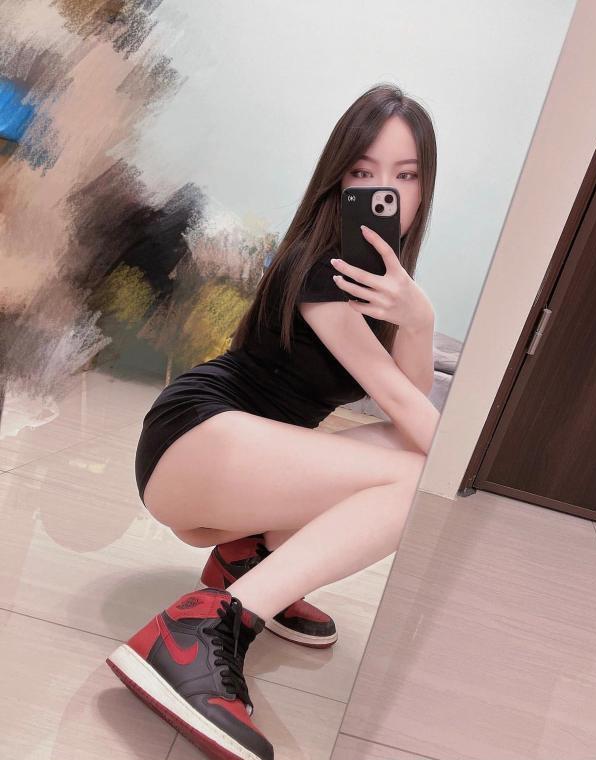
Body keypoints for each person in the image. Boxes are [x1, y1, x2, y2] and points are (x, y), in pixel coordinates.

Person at [106, 83, 441, 760]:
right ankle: (200, 630)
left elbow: (409, 416)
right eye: (364, 172)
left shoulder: (378, 287)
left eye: (405, 176)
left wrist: (415, 319)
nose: (385, 192)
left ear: (423, 189)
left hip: (232, 471)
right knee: (416, 481)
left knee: (408, 459)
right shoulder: (320, 270)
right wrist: (467, 487)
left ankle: (249, 562)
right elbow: (409, 408)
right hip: (195, 438)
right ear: (337, 180)